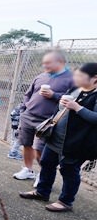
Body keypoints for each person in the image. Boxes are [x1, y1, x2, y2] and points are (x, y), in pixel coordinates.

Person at [19, 63, 97, 212]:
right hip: (56, 137)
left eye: (80, 76)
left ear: (95, 78)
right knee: (47, 162)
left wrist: (77, 108)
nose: (76, 78)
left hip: (77, 142)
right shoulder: (75, 89)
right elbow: (63, 108)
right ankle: (42, 192)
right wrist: (61, 103)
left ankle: (66, 201)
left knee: (69, 169)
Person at [13, 51, 73, 183]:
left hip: (48, 120)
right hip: (28, 116)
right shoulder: (40, 76)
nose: (44, 65)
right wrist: (24, 108)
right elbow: (28, 94)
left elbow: (73, 100)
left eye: (48, 63)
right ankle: (28, 170)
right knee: (26, 144)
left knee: (40, 149)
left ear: (60, 62)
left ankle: (43, 174)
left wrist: (54, 95)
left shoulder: (71, 79)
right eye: (44, 62)